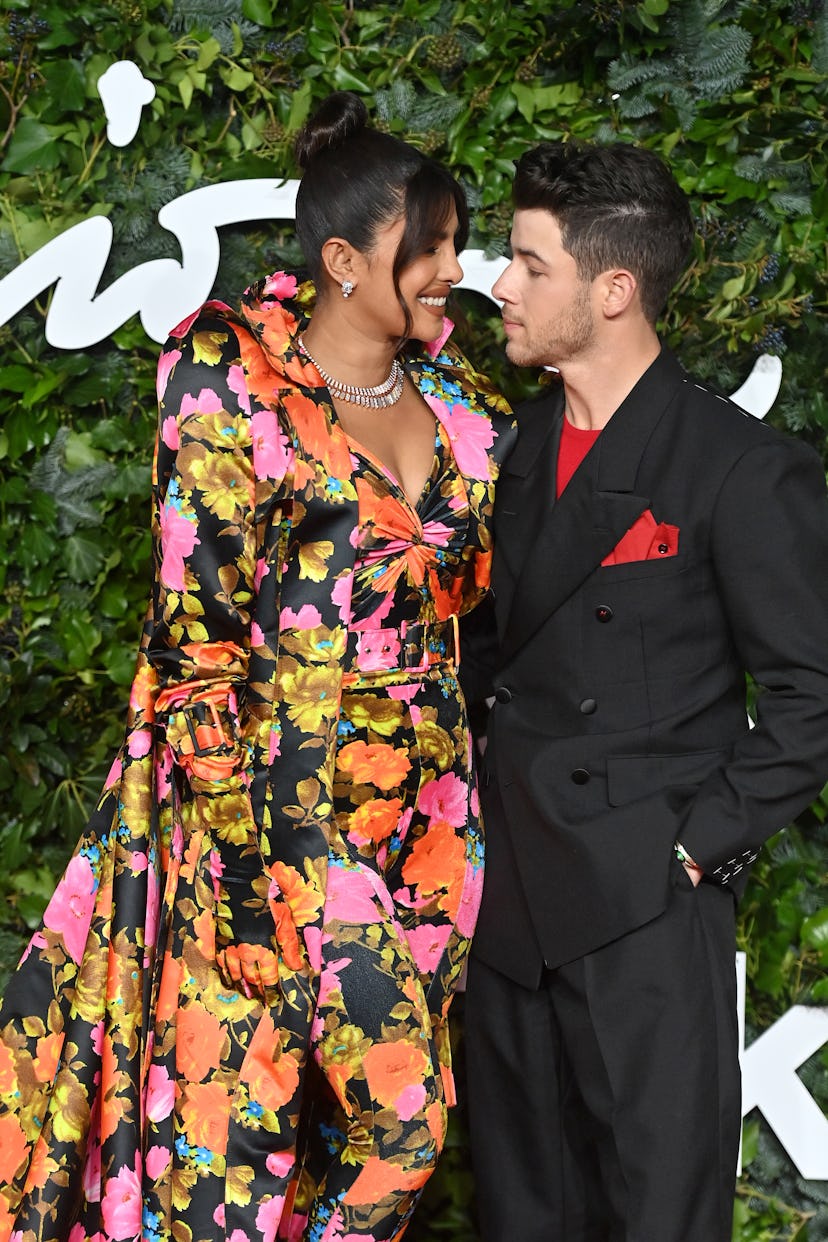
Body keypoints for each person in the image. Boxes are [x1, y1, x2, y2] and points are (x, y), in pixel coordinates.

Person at [0, 91, 514, 1242]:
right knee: (352, 1131)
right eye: (424, 248)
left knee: (320, 1148)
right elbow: (196, 641)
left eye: (451, 243)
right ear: (341, 259)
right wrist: (240, 874)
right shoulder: (229, 376)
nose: (449, 268)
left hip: (428, 829)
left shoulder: (459, 402)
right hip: (286, 820)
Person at [460, 138, 828, 1242]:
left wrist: (691, 845)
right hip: (507, 912)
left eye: (529, 265)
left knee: (656, 1222)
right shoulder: (508, 455)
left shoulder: (738, 466)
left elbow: (817, 694)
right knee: (522, 1220)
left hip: (644, 919)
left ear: (612, 289)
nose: (502, 286)